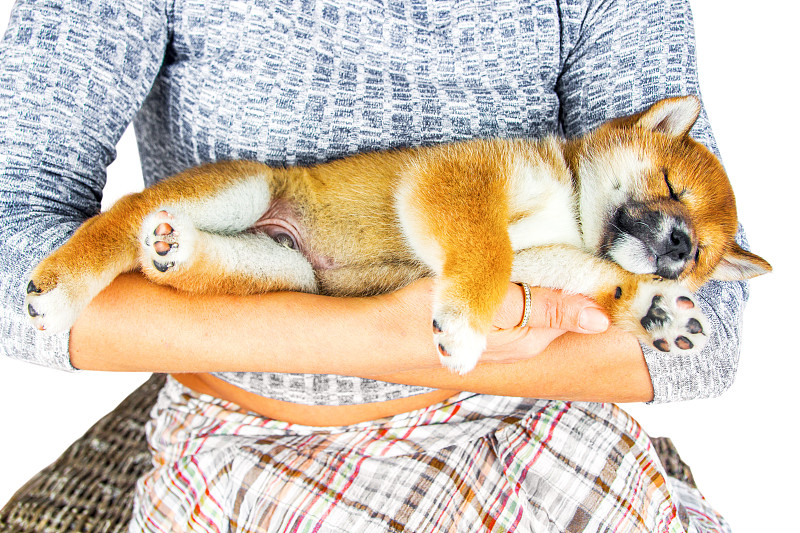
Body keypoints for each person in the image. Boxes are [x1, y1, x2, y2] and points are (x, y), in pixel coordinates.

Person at [0, 0, 747, 530]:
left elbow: (706, 337)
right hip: (249, 440)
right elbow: (11, 244)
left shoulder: (581, 179)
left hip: (529, 431)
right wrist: (372, 339)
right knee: (227, 215)